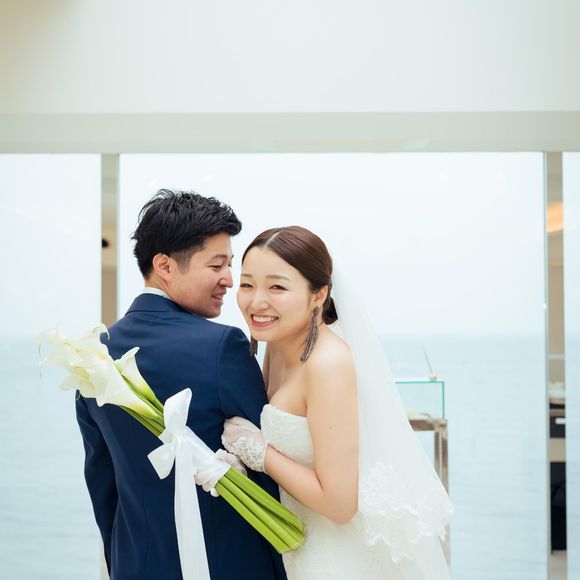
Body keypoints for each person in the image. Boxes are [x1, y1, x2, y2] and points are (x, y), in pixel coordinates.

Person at [76, 190, 287, 580]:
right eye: (217, 265)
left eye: (229, 265)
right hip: (229, 565)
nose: (229, 280)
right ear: (165, 266)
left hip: (135, 565)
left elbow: (102, 482)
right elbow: (267, 472)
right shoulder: (222, 346)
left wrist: (122, 563)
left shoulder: (93, 356)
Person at [222, 226, 453, 580]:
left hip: (336, 555)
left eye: (277, 287)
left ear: (319, 294)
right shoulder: (278, 344)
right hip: (296, 542)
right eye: (247, 284)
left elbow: (340, 503)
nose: (256, 302)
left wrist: (259, 452)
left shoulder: (328, 364)